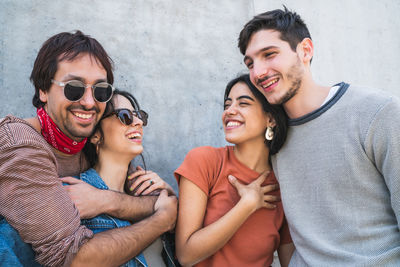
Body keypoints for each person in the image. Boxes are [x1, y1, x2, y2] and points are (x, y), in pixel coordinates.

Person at [238, 7, 400, 266]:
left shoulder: (378, 112)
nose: (258, 73)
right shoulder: (272, 137)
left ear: (305, 50)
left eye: (269, 54)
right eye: (250, 63)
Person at [0, 31, 177, 266]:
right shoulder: (20, 146)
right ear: (43, 89)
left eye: (100, 90)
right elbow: (72, 259)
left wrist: (106, 200)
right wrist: (162, 220)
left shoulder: (82, 140)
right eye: (74, 87)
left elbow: (158, 200)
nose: (89, 102)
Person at [174, 74, 294, 267]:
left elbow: (290, 260)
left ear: (271, 118)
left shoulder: (283, 186)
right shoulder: (205, 161)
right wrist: (246, 205)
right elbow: (186, 255)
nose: (229, 111)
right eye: (227, 104)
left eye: (243, 103)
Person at [63, 89, 177, 267]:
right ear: (95, 135)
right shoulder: (74, 194)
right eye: (125, 116)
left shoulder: (148, 196)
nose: (138, 122)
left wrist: (171, 196)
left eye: (139, 115)